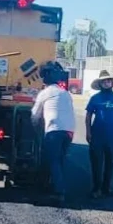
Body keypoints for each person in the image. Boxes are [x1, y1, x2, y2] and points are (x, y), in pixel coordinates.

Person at [31, 63, 76, 203]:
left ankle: (58, 191)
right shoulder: (65, 93)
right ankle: (53, 185)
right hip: (69, 131)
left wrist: (34, 127)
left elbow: (35, 114)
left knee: (52, 160)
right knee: (60, 159)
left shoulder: (45, 93)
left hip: (54, 130)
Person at [84, 70, 113, 199]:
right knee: (96, 163)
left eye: (108, 81)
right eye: (104, 81)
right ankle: (96, 188)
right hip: (96, 136)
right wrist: (88, 132)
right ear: (100, 84)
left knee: (110, 163)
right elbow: (88, 116)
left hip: (112, 137)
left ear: (112, 83)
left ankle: (106, 187)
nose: (106, 83)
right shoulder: (95, 98)